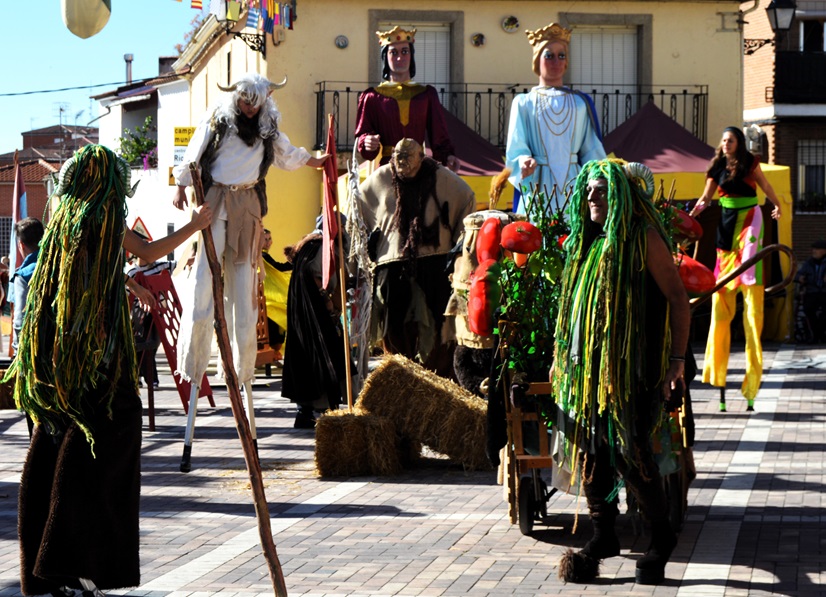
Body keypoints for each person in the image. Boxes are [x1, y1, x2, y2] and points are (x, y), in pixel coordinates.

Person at [11, 144, 211, 597]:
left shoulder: (63, 220)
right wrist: (195, 225)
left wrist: (128, 285)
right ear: (106, 183)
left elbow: (89, 267)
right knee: (106, 439)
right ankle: (77, 562)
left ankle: (45, 570)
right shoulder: (102, 216)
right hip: (93, 360)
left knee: (53, 443)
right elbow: (147, 250)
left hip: (59, 363)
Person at [551, 159, 690, 585]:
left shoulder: (644, 238)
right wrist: (561, 358)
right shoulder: (588, 242)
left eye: (602, 190)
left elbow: (678, 299)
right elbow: (572, 309)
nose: (591, 196)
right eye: (588, 190)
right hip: (589, 378)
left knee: (633, 454)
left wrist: (676, 362)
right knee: (592, 452)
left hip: (634, 374)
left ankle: (662, 537)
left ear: (622, 196)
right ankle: (604, 534)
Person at [172, 73, 329, 390]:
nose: (249, 108)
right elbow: (194, 151)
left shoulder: (267, 126)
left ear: (264, 101)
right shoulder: (218, 119)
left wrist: (315, 162)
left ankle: (241, 368)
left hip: (247, 205)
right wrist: (180, 185)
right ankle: (193, 364)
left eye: (255, 103)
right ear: (237, 98)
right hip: (215, 200)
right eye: (245, 102)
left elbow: (286, 153)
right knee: (204, 280)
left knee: (243, 290)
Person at [360, 138, 474, 377]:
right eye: (399, 160)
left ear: (421, 158)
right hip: (392, 269)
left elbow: (466, 201)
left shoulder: (446, 180)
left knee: (439, 335)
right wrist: (369, 249)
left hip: (435, 267)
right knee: (395, 332)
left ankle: (436, 380)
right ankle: (401, 378)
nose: (404, 166)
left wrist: (458, 252)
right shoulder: (378, 180)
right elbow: (357, 214)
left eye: (409, 161)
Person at [689, 126, 782, 411]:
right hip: (726, 223)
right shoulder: (716, 166)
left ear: (738, 142)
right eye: (723, 140)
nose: (725, 143)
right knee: (721, 307)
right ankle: (718, 378)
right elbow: (706, 197)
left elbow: (765, 186)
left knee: (749, 264)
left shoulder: (750, 162)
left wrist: (777, 204)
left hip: (751, 217)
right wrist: (694, 212)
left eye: (730, 139)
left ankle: (747, 277)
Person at [505, 22, 606, 219]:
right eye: (549, 56)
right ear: (537, 60)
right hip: (538, 185)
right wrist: (523, 160)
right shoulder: (524, 102)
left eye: (561, 56)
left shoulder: (579, 103)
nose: (556, 62)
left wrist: (602, 177)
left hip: (574, 184)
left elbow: (591, 149)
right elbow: (516, 147)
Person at [354, 26, 458, 171]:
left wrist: (448, 156)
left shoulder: (426, 95)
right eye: (393, 52)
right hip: (388, 169)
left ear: (411, 55)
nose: (399, 58)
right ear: (385, 56)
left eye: (404, 52)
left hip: (418, 169)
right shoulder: (372, 97)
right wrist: (367, 141)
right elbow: (363, 134)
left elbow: (439, 135)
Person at [281, 217, 350, 428]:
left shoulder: (309, 245)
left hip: (305, 312)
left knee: (307, 358)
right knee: (324, 356)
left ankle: (305, 412)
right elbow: (317, 278)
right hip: (314, 312)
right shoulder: (320, 247)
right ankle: (325, 411)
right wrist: (327, 301)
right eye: (342, 227)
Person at [126, 237, 177, 389]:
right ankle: (146, 378)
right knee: (142, 345)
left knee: (152, 345)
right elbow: (127, 294)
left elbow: (181, 263)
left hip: (158, 314)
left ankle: (144, 377)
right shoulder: (133, 272)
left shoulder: (162, 266)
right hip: (140, 315)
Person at [10, 217, 44, 354]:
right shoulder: (59, 267)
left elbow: (20, 320)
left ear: (21, 245)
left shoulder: (24, 276)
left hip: (34, 352)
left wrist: (18, 351)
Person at [260, 228, 290, 360]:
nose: (268, 242)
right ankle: (273, 353)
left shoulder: (262, 255)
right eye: (265, 239)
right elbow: (279, 268)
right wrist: (296, 262)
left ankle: (275, 353)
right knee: (279, 320)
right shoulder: (262, 255)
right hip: (267, 300)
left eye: (269, 239)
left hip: (266, 298)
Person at [795, 239, 826, 343]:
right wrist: (800, 278)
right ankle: (816, 335)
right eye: (813, 249)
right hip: (812, 291)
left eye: (817, 249)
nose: (814, 251)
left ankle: (819, 333)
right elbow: (798, 274)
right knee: (808, 309)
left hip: (824, 291)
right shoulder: (809, 263)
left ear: (824, 251)